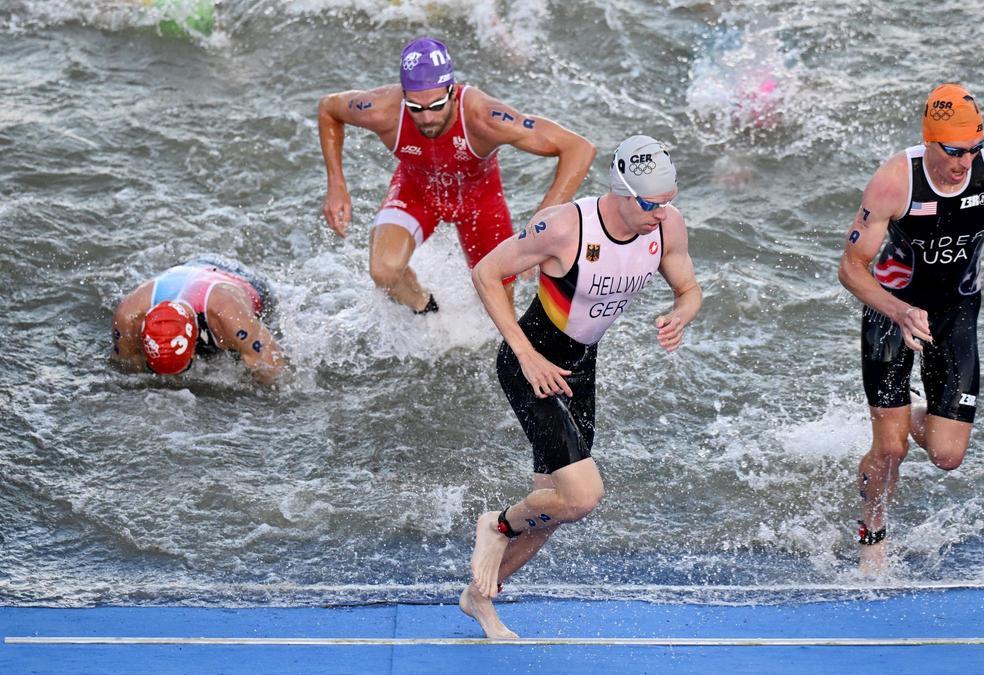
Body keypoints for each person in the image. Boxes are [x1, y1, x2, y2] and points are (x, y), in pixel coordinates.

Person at [460, 135, 702, 638]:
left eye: (669, 199)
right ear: (621, 191)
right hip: (532, 365)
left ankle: (481, 597)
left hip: (580, 368)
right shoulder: (565, 227)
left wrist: (681, 315)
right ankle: (496, 525)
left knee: (553, 508)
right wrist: (526, 357)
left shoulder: (666, 225)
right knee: (583, 496)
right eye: (652, 203)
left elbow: (688, 289)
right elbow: (487, 274)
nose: (663, 212)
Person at [837, 83, 984, 572]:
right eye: (953, 152)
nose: (964, 163)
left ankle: (912, 415)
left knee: (947, 457)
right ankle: (872, 534)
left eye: (973, 149)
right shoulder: (894, 182)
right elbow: (850, 267)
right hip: (892, 308)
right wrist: (897, 310)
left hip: (955, 311)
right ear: (929, 140)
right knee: (889, 450)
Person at [317, 36, 596, 313]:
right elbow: (329, 109)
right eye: (416, 108)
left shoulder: (485, 117)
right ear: (403, 97)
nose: (427, 118)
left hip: (480, 203)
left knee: (498, 307)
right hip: (416, 190)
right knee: (383, 273)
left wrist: (541, 223)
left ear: (452, 91)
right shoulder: (381, 109)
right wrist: (336, 184)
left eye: (437, 106)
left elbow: (579, 148)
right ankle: (425, 308)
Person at [111, 256, 285, 384]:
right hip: (188, 267)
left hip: (238, 279)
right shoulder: (128, 317)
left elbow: (274, 371)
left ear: (194, 344)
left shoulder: (230, 318)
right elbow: (129, 369)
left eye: (185, 369)